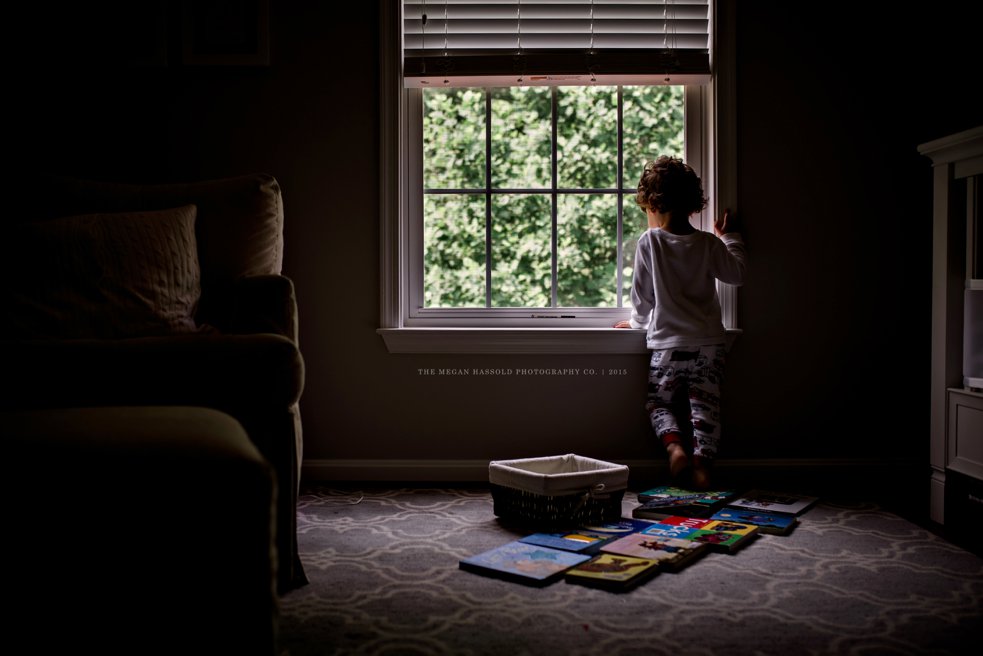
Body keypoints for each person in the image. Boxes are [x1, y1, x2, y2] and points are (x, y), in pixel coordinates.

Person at [615, 155, 747, 490]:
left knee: (659, 402)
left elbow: (642, 297)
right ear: (693, 203)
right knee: (705, 405)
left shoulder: (650, 242)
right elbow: (737, 274)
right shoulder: (708, 243)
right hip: (708, 345)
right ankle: (703, 464)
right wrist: (731, 237)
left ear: (653, 205)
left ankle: (674, 448)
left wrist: (635, 324)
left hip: (668, 346)